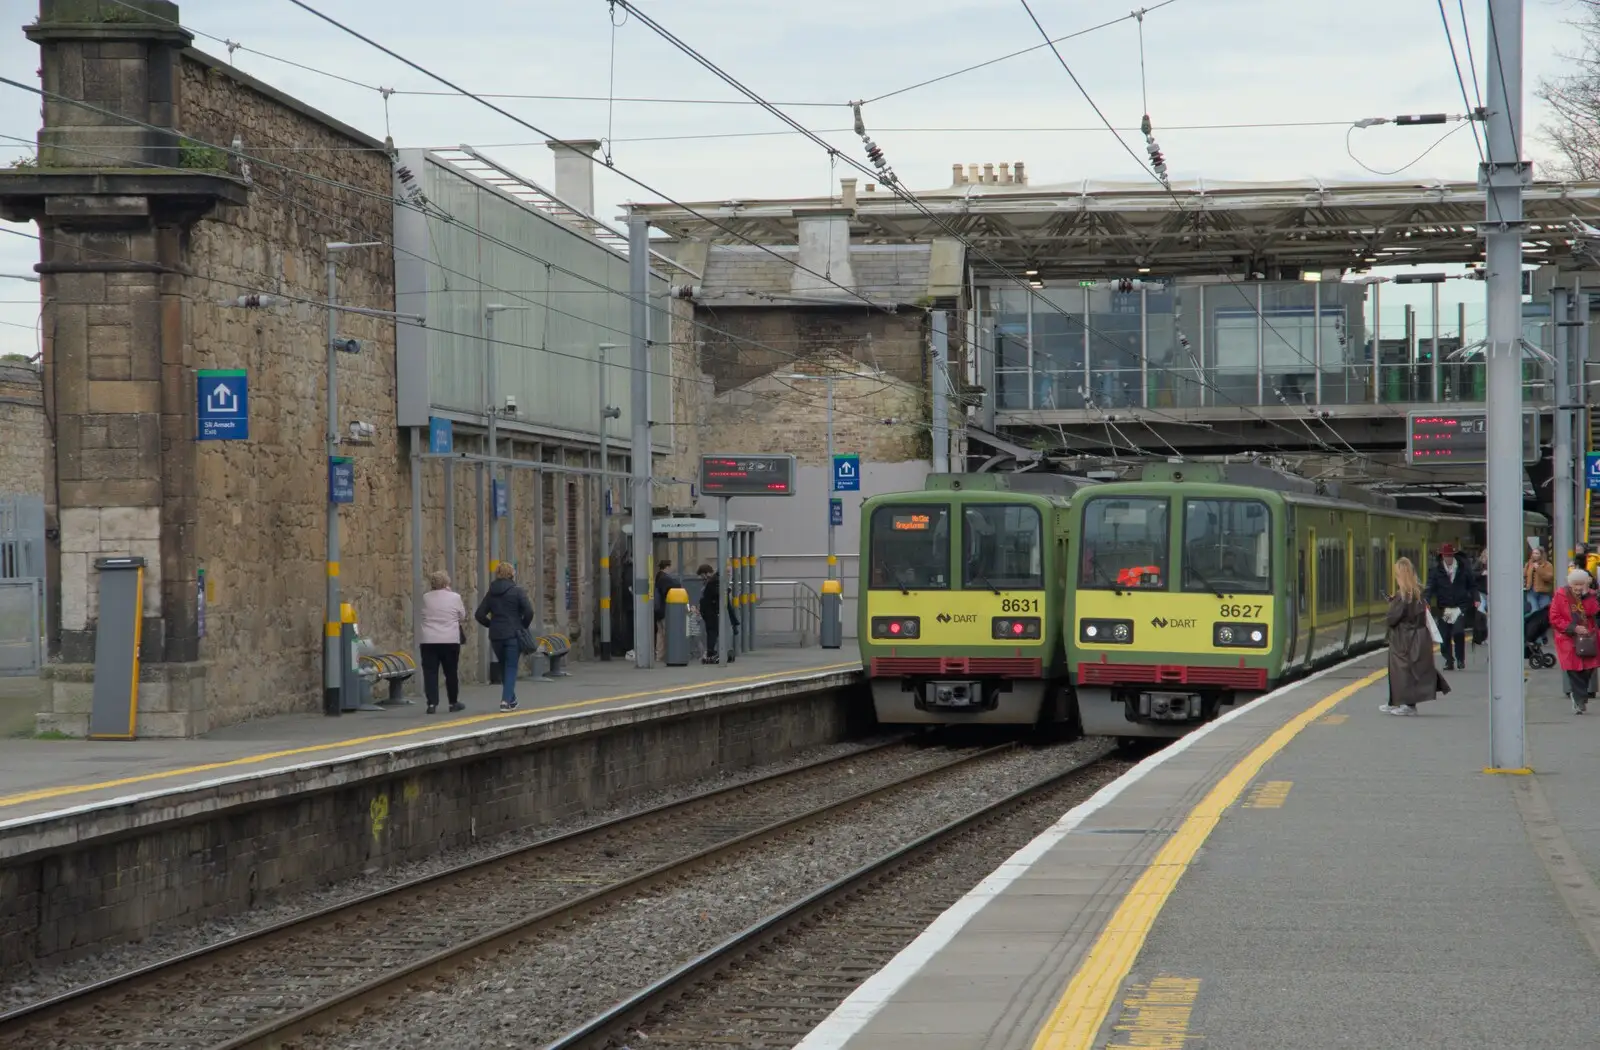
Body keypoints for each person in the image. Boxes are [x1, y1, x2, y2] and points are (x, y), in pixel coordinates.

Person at [1381, 557, 1450, 716]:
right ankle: (1398, 702)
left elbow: (1392, 618)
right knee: (1408, 671)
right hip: (1417, 638)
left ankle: (1408, 706)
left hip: (1405, 639)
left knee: (1403, 671)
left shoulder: (1403, 595)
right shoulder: (1417, 593)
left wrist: (1391, 604)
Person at [475, 562, 534, 711]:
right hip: (513, 634)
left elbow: (479, 614)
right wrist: (523, 625)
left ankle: (511, 699)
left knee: (503, 666)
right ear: (511, 574)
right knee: (511, 667)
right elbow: (529, 611)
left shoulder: (491, 592)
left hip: (496, 636)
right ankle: (505, 702)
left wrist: (491, 624)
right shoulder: (517, 591)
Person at [1549, 568, 1600, 714]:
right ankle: (1579, 699)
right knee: (1574, 670)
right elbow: (1555, 617)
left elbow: (1593, 611)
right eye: (1575, 584)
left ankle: (1580, 696)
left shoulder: (1591, 595)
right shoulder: (1560, 595)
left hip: (1588, 637)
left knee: (1589, 668)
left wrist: (1585, 597)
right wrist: (1573, 628)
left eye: (1581, 584)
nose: (1578, 588)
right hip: (1568, 637)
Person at [418, 570, 468, 714]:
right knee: (451, 672)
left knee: (430, 672)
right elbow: (462, 616)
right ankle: (453, 702)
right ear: (447, 583)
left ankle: (432, 704)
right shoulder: (455, 597)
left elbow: (422, 613)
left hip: (429, 640)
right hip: (450, 640)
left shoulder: (425, 598)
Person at [1425, 542, 1477, 671]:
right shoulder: (1437, 571)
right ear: (1442, 556)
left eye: (1450, 556)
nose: (1448, 558)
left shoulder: (1463, 569)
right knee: (1445, 635)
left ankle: (1460, 659)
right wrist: (1426, 600)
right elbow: (1430, 588)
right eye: (1446, 556)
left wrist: (1476, 598)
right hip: (1446, 608)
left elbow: (1472, 585)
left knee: (1458, 632)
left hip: (1459, 607)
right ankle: (1449, 660)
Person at [695, 563, 740, 665]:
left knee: (712, 632)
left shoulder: (714, 580)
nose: (729, 574)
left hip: (710, 611)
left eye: (730, 572)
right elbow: (717, 593)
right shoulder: (715, 581)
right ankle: (711, 652)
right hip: (710, 611)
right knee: (712, 632)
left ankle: (711, 652)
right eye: (728, 572)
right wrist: (727, 590)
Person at [653, 559, 676, 660]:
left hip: (658, 610)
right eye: (671, 567)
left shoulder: (658, 577)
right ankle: (670, 654)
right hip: (664, 610)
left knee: (660, 633)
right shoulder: (665, 579)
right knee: (666, 632)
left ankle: (659, 655)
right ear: (667, 567)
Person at [1524, 547, 1555, 616]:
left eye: (1537, 553)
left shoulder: (1548, 565)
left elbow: (1548, 578)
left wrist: (1538, 568)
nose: (1534, 555)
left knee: (1544, 612)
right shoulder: (1529, 564)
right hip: (1531, 591)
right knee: (1534, 611)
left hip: (1543, 592)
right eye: (1533, 553)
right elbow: (1525, 575)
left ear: (1541, 555)